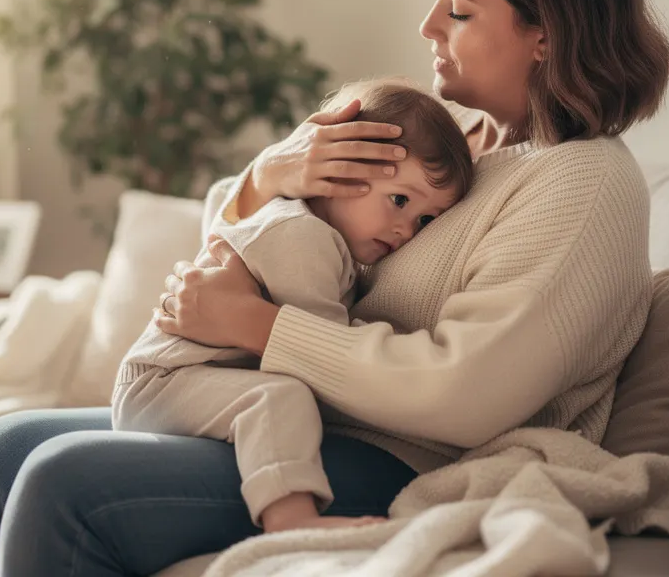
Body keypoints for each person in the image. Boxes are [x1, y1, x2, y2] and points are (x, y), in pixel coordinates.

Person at [0, 0, 669, 577]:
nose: (426, 27)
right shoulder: (443, 139)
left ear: (543, 35)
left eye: (457, 9)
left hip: (408, 454)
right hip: (282, 416)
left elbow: (466, 392)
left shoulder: (583, 183)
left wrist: (257, 325)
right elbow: (246, 249)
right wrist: (269, 177)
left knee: (63, 481)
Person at [113, 80, 474, 534]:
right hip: (163, 382)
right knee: (281, 397)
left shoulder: (324, 237)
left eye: (425, 219)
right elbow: (323, 361)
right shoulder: (303, 238)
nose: (406, 230)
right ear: (332, 172)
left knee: (275, 398)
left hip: (182, 382)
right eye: (399, 200)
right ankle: (291, 521)